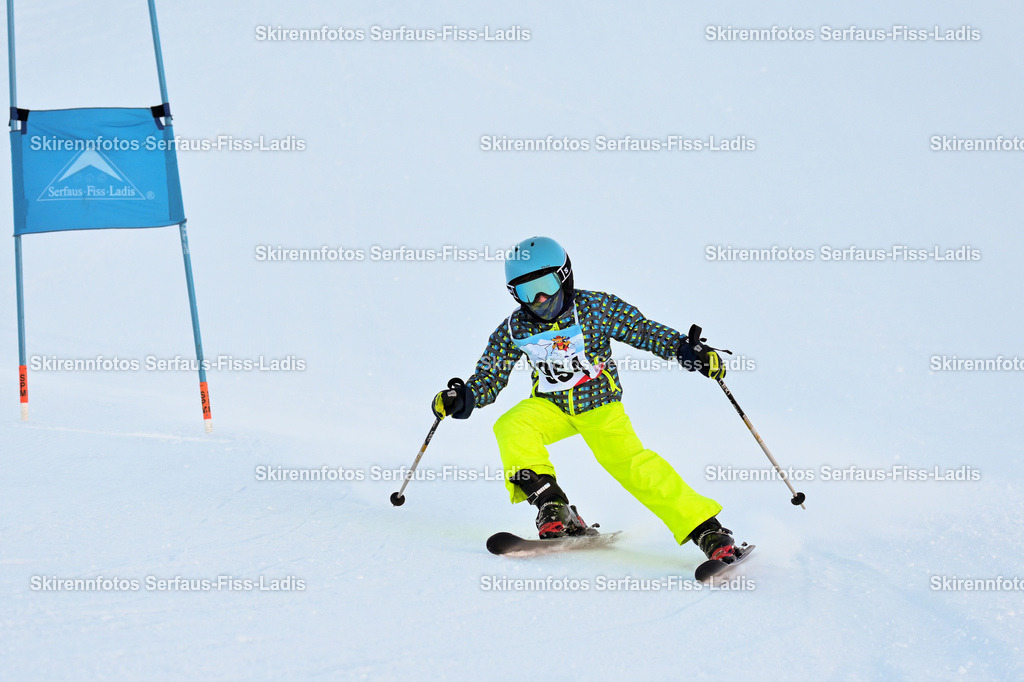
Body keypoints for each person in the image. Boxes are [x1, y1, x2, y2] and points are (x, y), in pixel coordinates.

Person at [431, 236, 740, 562]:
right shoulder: (515, 329)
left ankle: (707, 529)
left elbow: (643, 330)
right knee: (511, 426)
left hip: (600, 406)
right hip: (550, 407)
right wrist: (462, 397)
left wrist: (684, 348)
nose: (539, 299)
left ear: (565, 277)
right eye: (526, 292)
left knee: (633, 466)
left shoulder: (595, 308)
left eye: (546, 285)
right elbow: (490, 377)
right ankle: (551, 504)